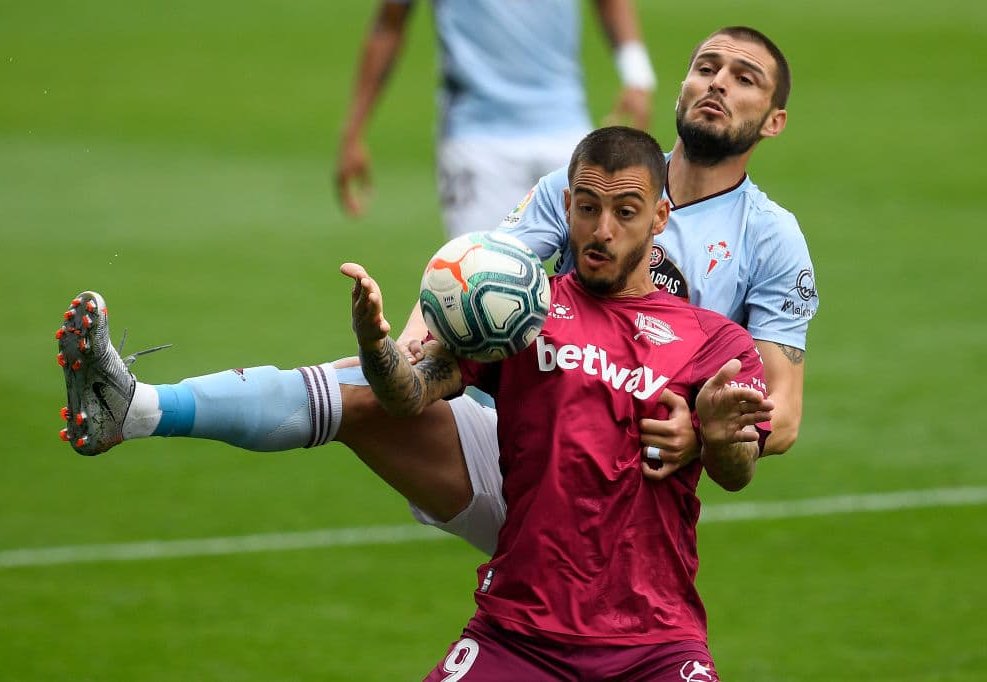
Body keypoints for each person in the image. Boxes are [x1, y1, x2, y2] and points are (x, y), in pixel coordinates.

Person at [56, 26, 817, 558]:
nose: (718, 82)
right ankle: (137, 408)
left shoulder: (770, 238)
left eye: (744, 79)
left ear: (773, 121)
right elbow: (476, 272)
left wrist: (705, 430)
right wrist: (411, 345)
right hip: (524, 441)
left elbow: (777, 418)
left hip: (624, 499)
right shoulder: (579, 184)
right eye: (707, 65)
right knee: (355, 392)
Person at [344, 127, 773, 680]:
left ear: (660, 218)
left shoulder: (714, 341)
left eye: (625, 212)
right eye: (589, 208)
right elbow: (408, 396)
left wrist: (717, 436)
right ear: (567, 205)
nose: (602, 230)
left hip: (656, 641)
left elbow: (738, 474)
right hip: (518, 632)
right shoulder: (517, 310)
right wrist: (376, 344)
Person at [335, 0, 657, 239]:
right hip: (478, 141)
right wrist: (353, 132)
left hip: (566, 130)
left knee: (602, 287)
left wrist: (637, 73)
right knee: (475, 293)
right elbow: (389, 23)